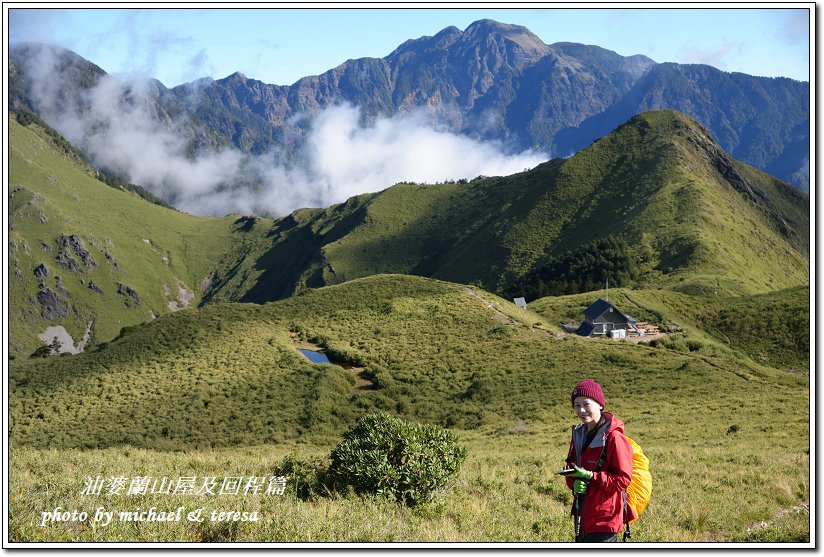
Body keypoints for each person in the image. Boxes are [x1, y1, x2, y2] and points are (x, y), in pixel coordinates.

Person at [564, 379, 636, 542]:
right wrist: (573, 482)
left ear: (600, 405)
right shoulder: (578, 435)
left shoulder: (615, 438)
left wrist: (591, 477)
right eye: (577, 405)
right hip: (583, 515)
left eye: (586, 404)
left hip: (605, 519)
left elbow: (623, 480)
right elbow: (572, 467)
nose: (581, 410)